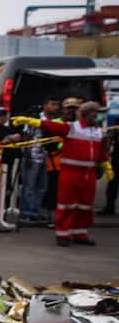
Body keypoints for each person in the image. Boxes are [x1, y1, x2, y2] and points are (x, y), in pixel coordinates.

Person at [14, 101, 111, 247]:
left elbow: (101, 153)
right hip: (70, 174)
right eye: (95, 113)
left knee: (85, 206)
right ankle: (63, 234)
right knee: (67, 205)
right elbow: (49, 125)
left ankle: (80, 233)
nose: (98, 117)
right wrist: (30, 121)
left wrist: (107, 166)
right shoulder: (72, 128)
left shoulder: (98, 132)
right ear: (87, 114)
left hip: (88, 175)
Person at [19, 96, 60, 223]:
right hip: (33, 156)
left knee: (42, 187)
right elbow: (26, 136)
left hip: (45, 157)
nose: (56, 107)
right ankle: (27, 212)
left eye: (57, 105)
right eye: (53, 104)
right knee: (29, 186)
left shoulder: (54, 120)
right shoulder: (36, 118)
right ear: (45, 105)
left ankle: (35, 211)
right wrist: (27, 155)